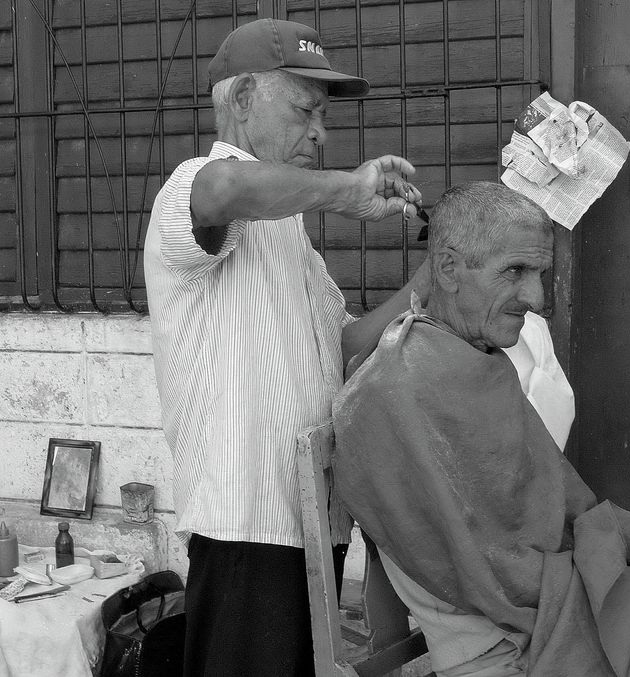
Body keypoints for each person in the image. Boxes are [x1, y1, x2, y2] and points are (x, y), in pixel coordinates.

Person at [333, 181, 630, 677]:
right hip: (511, 642)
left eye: (538, 274)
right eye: (514, 272)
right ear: (447, 270)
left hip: (577, 600)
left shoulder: (477, 360)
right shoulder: (396, 389)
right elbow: (495, 575)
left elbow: (561, 507)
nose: (535, 297)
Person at [144, 18, 430, 677]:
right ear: (242, 100)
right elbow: (223, 190)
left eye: (322, 116)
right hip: (248, 527)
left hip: (310, 524)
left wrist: (429, 279)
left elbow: (345, 345)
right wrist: (347, 190)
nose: (320, 132)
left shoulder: (287, 235)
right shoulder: (192, 185)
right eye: (304, 109)